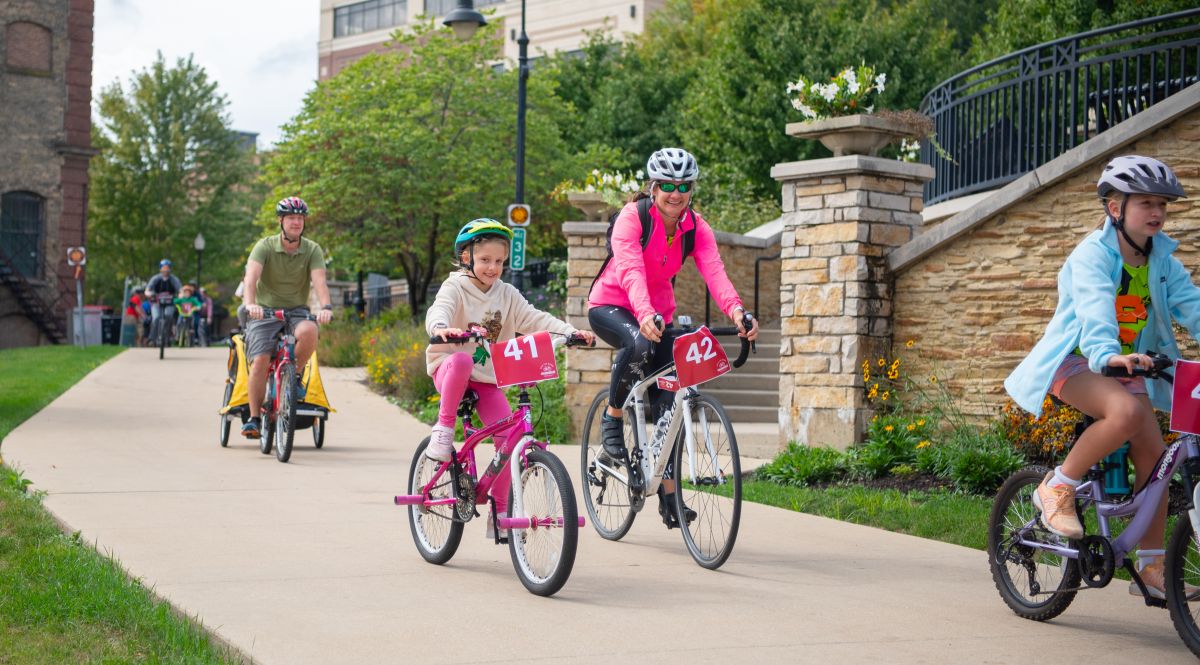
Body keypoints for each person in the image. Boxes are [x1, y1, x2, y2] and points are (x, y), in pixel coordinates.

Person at [1004, 155, 1196, 600]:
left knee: (1157, 462)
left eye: (1162, 204)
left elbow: (1193, 306)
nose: (1156, 212)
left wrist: (1123, 359)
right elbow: (1094, 309)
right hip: (1077, 361)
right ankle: (1057, 488)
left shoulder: (1162, 259)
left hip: (1124, 364)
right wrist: (1108, 354)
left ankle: (1150, 568)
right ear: (1115, 209)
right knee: (1127, 411)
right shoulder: (1092, 255)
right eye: (1145, 202)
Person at [587, 147, 759, 529]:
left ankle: (668, 495)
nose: (675, 193)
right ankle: (613, 418)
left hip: (657, 313)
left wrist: (738, 312)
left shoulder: (695, 227)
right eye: (666, 185)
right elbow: (630, 271)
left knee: (670, 395)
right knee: (639, 344)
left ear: (692, 189)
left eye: (683, 186)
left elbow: (715, 273)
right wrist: (644, 312)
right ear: (653, 186)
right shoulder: (633, 218)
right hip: (612, 305)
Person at [425, 218, 595, 539]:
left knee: (511, 441)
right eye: (485, 260)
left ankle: (500, 511)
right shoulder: (455, 287)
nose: (492, 267)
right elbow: (440, 310)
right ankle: (444, 429)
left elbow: (534, 318)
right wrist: (440, 329)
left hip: (488, 380)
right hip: (450, 371)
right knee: (461, 359)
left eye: (499, 261)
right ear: (467, 258)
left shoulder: (507, 294)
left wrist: (571, 332)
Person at [240, 196, 333, 438]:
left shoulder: (312, 249)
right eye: (291, 217)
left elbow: (320, 282)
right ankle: (253, 418)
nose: (296, 222)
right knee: (260, 360)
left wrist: (326, 306)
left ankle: (295, 376)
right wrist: (250, 305)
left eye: (300, 218)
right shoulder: (265, 246)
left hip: (296, 311)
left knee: (310, 330)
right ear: (281, 221)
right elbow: (250, 279)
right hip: (265, 311)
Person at [144, 259, 182, 344]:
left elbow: (180, 290)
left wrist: (180, 295)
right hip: (156, 302)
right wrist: (149, 293)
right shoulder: (155, 278)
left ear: (170, 269)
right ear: (160, 269)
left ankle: (167, 335)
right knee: (156, 317)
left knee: (169, 315)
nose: (166, 270)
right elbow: (147, 290)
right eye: (164, 268)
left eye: (167, 268)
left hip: (170, 302)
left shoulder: (173, 279)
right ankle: (152, 338)